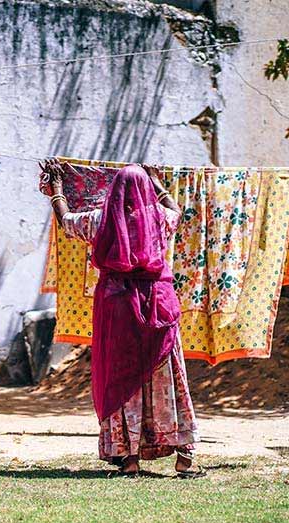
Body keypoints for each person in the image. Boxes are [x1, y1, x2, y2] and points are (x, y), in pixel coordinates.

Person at [42, 162, 201, 477]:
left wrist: (57, 190)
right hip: (159, 306)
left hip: (119, 311)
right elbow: (176, 211)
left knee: (123, 380)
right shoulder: (158, 219)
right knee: (168, 376)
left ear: (114, 190)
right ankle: (184, 456)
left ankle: (129, 459)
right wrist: (156, 182)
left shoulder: (101, 221)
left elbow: (67, 221)